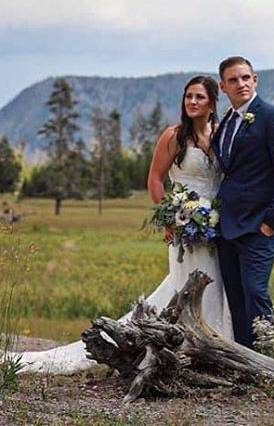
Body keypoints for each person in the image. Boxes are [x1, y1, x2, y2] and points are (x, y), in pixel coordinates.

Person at [12, 75, 232, 374]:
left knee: (217, 282)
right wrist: (170, 216)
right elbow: (155, 179)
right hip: (185, 225)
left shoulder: (222, 134)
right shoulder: (174, 135)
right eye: (188, 97)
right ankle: (182, 346)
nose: (192, 102)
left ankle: (219, 346)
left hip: (217, 225)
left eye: (199, 98)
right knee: (187, 282)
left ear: (212, 102)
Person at [213, 57, 274, 348]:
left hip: (257, 226)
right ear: (223, 86)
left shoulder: (273, 117)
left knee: (255, 293)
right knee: (236, 298)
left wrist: (271, 223)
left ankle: (270, 361)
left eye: (245, 78)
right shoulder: (227, 121)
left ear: (255, 80)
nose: (241, 84)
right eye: (233, 80)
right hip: (226, 228)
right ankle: (245, 360)